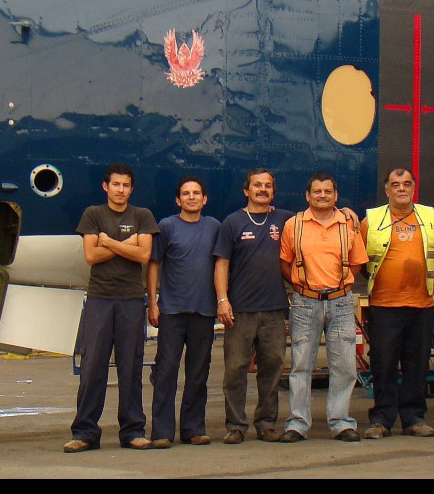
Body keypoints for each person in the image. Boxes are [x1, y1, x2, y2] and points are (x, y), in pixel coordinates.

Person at [65, 163, 160, 453]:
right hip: (100, 299)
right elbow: (91, 256)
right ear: (105, 186)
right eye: (115, 185)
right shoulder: (93, 215)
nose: (120, 190)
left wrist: (108, 241)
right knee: (93, 367)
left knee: (130, 367)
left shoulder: (142, 216)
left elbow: (143, 254)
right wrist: (125, 243)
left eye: (126, 185)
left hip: (131, 299)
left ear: (132, 189)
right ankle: (85, 433)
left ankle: (132, 431)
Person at [278, 173, 368, 443]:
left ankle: (341, 422)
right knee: (301, 364)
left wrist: (338, 285)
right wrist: (301, 284)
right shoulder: (294, 225)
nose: (322, 196)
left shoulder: (347, 225)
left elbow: (357, 263)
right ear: (308, 196)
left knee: (344, 365)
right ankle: (297, 423)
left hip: (340, 302)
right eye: (317, 192)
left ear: (335, 196)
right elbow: (285, 261)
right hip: (305, 302)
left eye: (327, 191)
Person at [360, 167, 434, 439]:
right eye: (395, 184)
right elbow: (362, 261)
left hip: (420, 305)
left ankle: (413, 418)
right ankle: (382, 419)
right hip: (385, 306)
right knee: (383, 363)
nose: (401, 188)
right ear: (386, 190)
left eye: (407, 184)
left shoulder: (430, 217)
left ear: (413, 188)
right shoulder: (371, 220)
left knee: (416, 363)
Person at [213, 168, 293, 445]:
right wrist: (223, 300)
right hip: (241, 311)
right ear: (246, 191)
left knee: (272, 369)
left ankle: (267, 423)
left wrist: (346, 211)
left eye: (268, 185)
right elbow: (221, 263)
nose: (262, 189)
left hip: (273, 310)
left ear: (273, 190)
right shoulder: (232, 223)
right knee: (235, 369)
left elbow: (317, 218)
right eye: (257, 185)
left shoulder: (285, 220)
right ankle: (235, 425)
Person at [146, 176, 221, 448]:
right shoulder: (166, 226)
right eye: (186, 194)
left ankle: (193, 428)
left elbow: (222, 265)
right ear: (178, 200)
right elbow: (154, 264)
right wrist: (152, 302)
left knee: (198, 372)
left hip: (203, 311)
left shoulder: (214, 227)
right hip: (172, 312)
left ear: (204, 199)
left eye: (196, 193)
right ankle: (162, 432)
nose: (192, 197)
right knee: (166, 371)